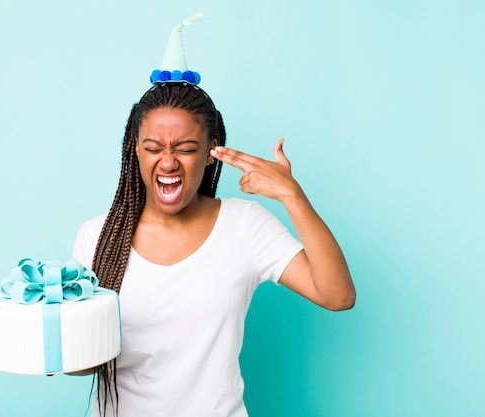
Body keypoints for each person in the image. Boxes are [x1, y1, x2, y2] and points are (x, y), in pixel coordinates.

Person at [70, 14, 355, 417]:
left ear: (211, 151)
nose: (167, 161)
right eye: (153, 147)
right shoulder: (97, 236)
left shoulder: (246, 226)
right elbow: (82, 364)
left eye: (185, 147)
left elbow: (338, 295)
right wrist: (52, 343)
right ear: (134, 150)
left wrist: (292, 194)